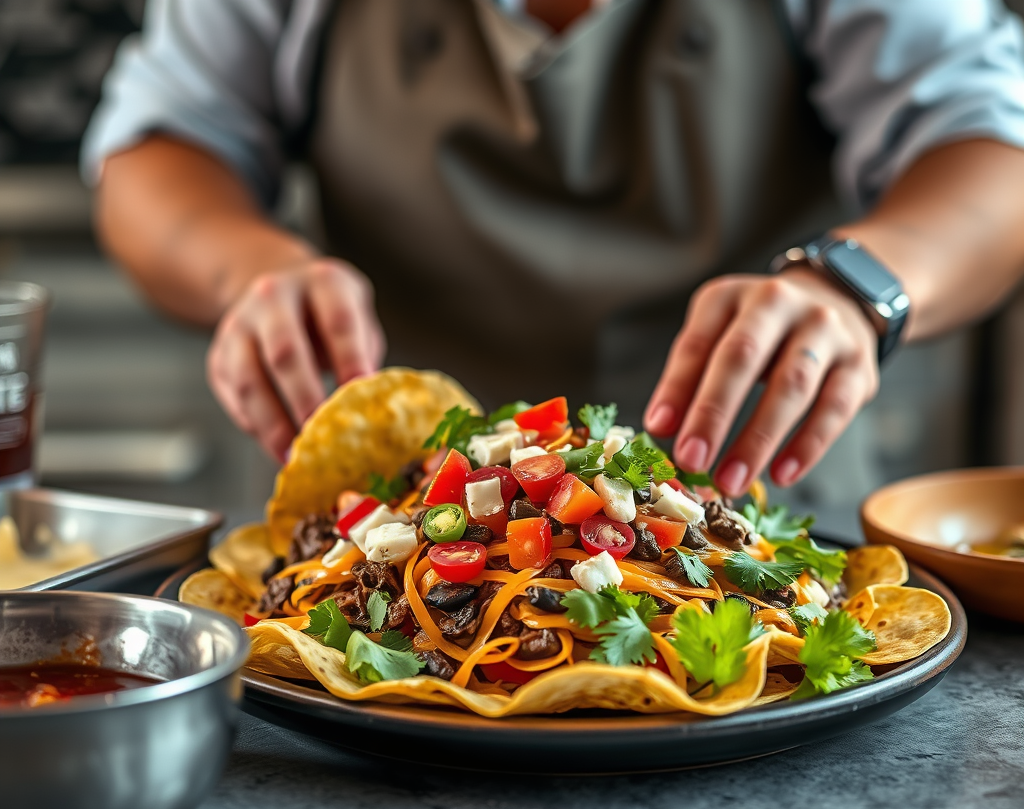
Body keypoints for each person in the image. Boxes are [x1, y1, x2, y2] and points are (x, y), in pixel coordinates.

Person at [84, 0, 1024, 497]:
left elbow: (993, 150)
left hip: (763, 523)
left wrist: (850, 290)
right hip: (370, 550)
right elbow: (162, 147)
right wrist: (252, 267)